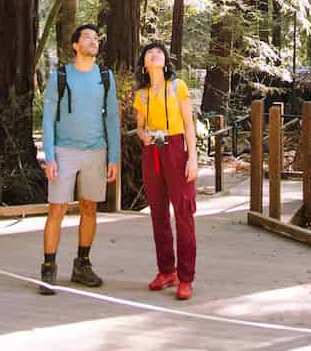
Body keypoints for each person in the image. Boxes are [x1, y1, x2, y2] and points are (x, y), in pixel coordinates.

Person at [39, 23, 120, 294]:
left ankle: (82, 265)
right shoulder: (60, 76)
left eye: (96, 38)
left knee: (89, 208)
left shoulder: (106, 77)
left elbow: (111, 118)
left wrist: (114, 157)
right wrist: (49, 157)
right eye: (87, 37)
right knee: (57, 209)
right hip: (64, 151)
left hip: (96, 151)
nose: (93, 41)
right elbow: (48, 118)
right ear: (75, 45)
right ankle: (48, 268)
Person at [134, 41, 197, 300]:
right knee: (158, 214)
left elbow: (189, 124)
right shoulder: (142, 94)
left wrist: (192, 158)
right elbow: (139, 127)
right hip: (152, 153)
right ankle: (166, 271)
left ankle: (185, 278)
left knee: (183, 213)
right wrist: (143, 136)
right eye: (150, 52)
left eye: (160, 51)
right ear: (145, 63)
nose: (155, 54)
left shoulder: (177, 86)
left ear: (166, 60)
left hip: (176, 149)